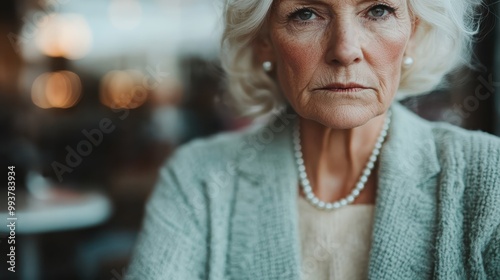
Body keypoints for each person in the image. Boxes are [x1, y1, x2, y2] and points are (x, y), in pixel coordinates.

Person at [126, 0, 500, 279]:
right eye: (306, 13)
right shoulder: (198, 179)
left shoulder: (487, 174)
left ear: (414, 33)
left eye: (379, 10)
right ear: (264, 42)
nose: (345, 50)